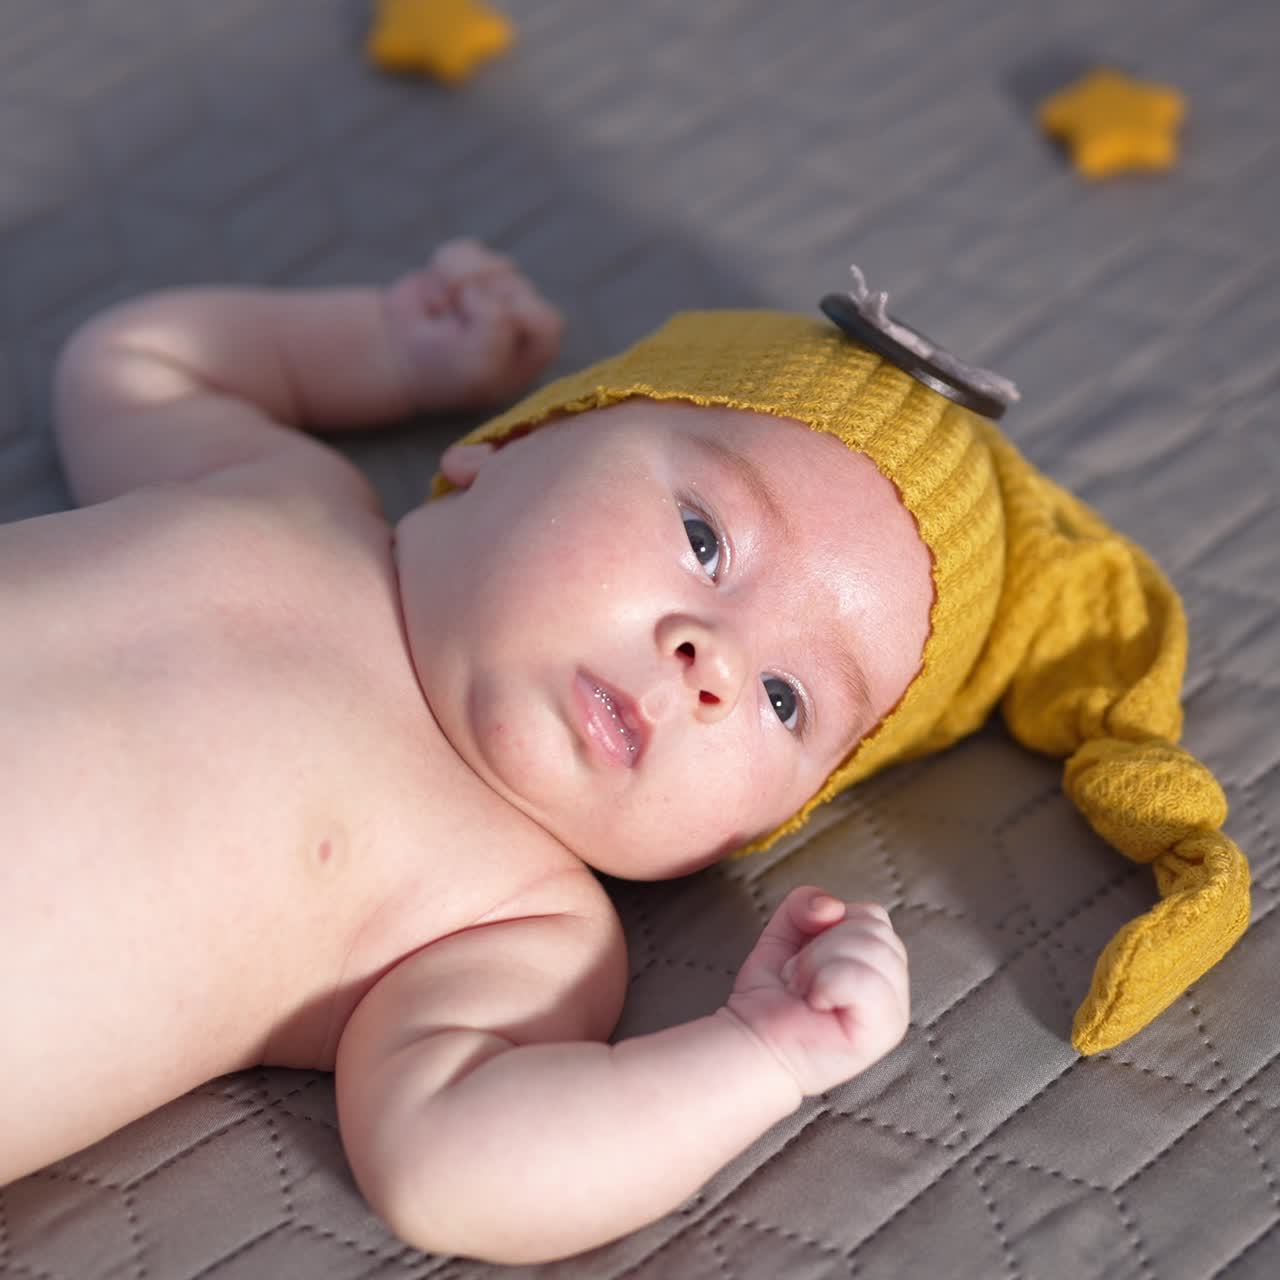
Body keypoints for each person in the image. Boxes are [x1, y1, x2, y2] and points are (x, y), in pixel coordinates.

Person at [0, 239, 1248, 1264]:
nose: (709, 658)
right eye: (705, 538)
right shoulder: (283, 488)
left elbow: (455, 1168)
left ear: (768, 823)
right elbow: (134, 362)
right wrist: (385, 343)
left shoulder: (507, 915)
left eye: (782, 697)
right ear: (499, 446)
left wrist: (759, 1052)